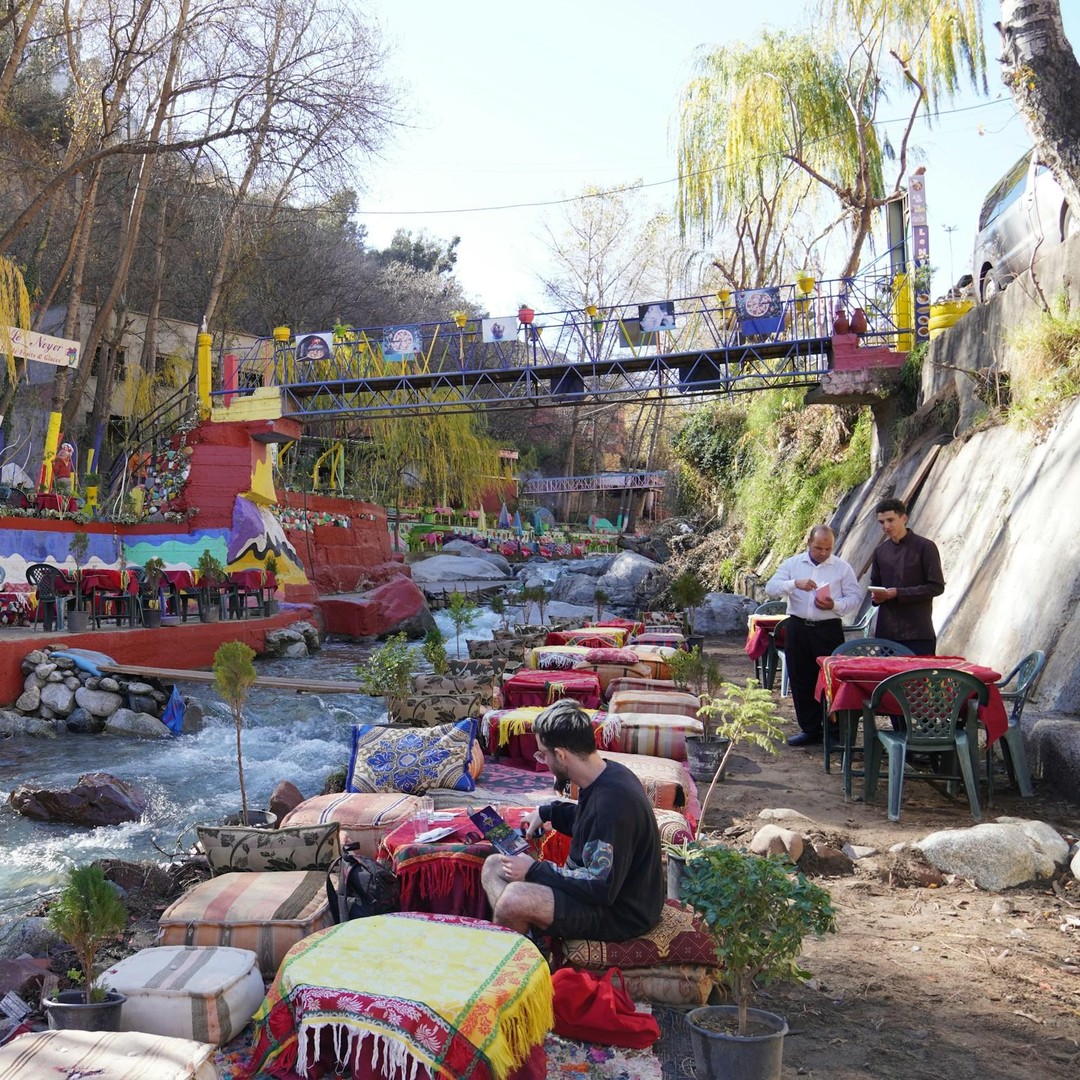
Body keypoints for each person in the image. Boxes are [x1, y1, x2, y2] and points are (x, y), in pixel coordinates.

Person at [480, 699, 663, 943]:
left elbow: (600, 887)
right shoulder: (606, 774)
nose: (543, 760)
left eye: (543, 754)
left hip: (619, 913)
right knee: (494, 866)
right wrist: (548, 813)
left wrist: (534, 870)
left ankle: (517, 958)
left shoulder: (612, 804)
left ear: (560, 755)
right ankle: (527, 940)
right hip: (596, 890)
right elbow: (588, 821)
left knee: (513, 899)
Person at [765, 524, 861, 746]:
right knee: (801, 678)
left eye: (828, 548)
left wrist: (834, 604)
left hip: (828, 629)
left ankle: (835, 732)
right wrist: (794, 584)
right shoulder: (793, 564)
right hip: (798, 627)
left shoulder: (842, 568)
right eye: (818, 548)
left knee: (832, 679)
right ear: (809, 543)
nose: (823, 553)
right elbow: (771, 587)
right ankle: (810, 729)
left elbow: (855, 597)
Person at [870, 497, 944, 655]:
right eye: (882, 522)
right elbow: (875, 585)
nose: (886, 526)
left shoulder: (925, 547)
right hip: (886, 633)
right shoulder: (880, 552)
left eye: (890, 520)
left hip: (918, 633)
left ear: (904, 518)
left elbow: (936, 587)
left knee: (921, 672)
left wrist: (898, 593)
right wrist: (876, 597)